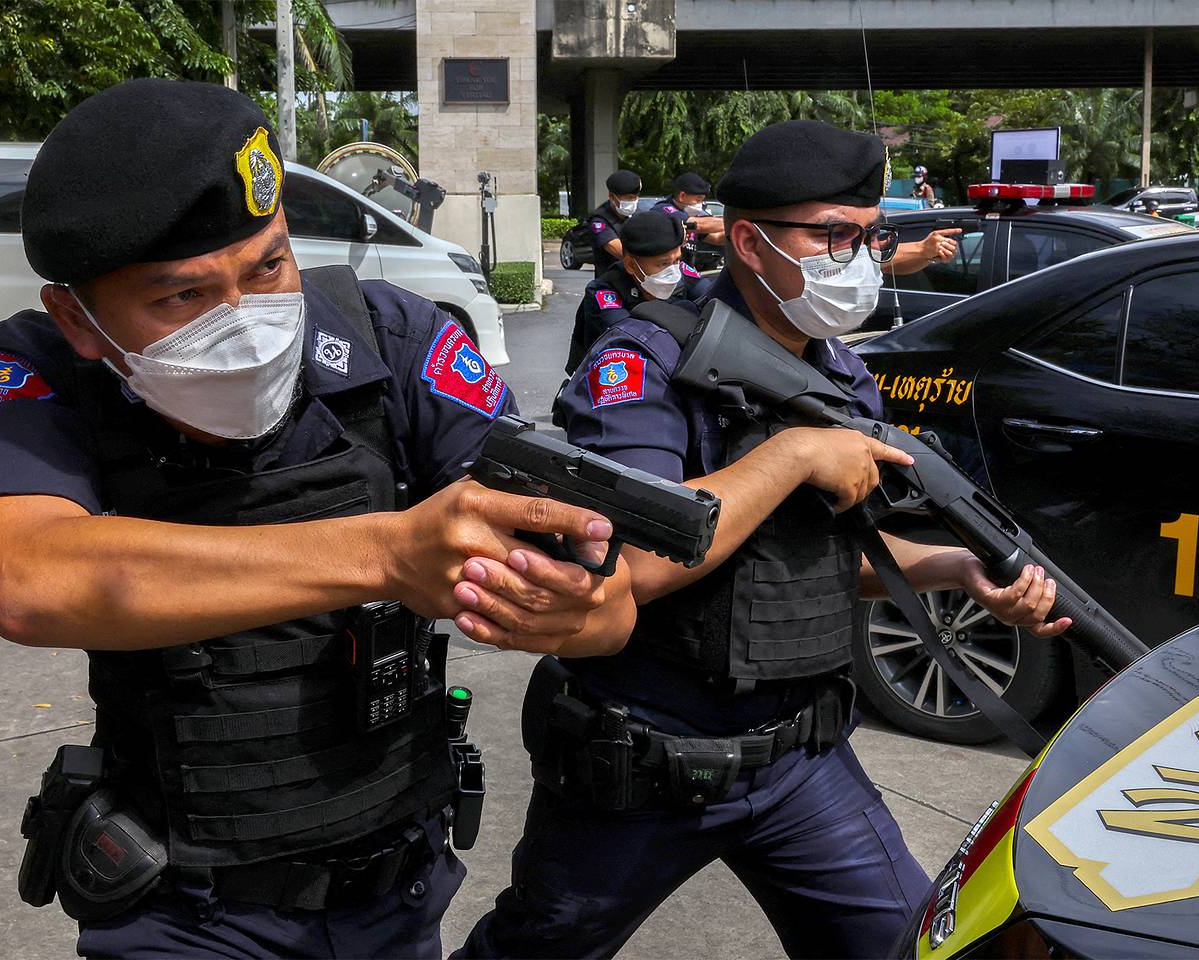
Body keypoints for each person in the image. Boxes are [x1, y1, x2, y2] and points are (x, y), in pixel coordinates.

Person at [0, 79, 637, 959]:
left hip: (397, 895)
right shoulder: (41, 370)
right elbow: (29, 578)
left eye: (267, 266)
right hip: (183, 908)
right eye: (181, 299)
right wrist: (388, 553)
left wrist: (570, 604)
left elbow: (606, 601)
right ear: (78, 318)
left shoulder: (388, 336)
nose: (245, 321)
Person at [458, 119, 1069, 960]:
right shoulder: (645, 358)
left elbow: (822, 559)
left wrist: (956, 569)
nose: (856, 257)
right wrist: (790, 456)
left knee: (915, 946)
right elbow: (630, 564)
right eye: (834, 234)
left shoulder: (842, 375)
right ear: (749, 240)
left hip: (799, 760)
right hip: (644, 760)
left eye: (868, 237)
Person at [563, 210, 704, 375]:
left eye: (677, 260)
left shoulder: (683, 274)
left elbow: (714, 302)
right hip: (613, 382)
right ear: (630, 265)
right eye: (663, 264)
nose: (672, 271)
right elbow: (638, 341)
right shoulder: (605, 292)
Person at [654, 172, 726, 270]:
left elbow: (716, 238)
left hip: (687, 272)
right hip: (666, 272)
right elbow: (698, 225)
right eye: (698, 200)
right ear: (682, 196)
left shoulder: (689, 214)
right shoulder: (663, 210)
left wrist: (737, 233)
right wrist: (734, 221)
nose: (700, 204)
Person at [586, 170, 642, 275]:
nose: (633, 202)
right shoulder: (599, 220)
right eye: (628, 197)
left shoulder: (637, 215)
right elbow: (618, 249)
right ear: (612, 196)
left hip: (635, 280)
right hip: (610, 281)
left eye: (635, 197)